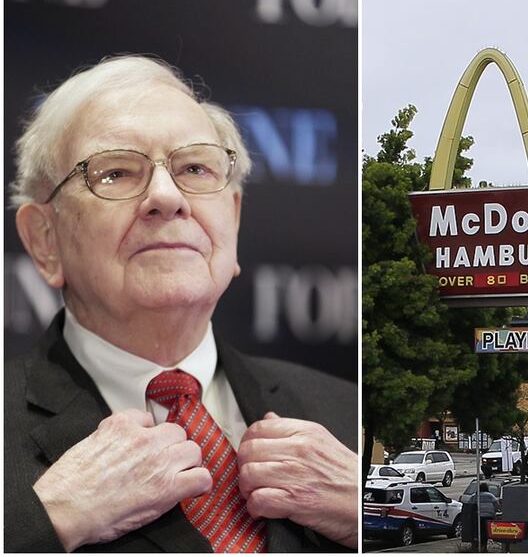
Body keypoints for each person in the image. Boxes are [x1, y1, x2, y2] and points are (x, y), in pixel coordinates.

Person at [5, 56, 358, 552]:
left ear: (232, 221)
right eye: (116, 173)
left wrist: (368, 515)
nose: (167, 197)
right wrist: (48, 521)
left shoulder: (349, 417)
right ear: (45, 240)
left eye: (194, 167)